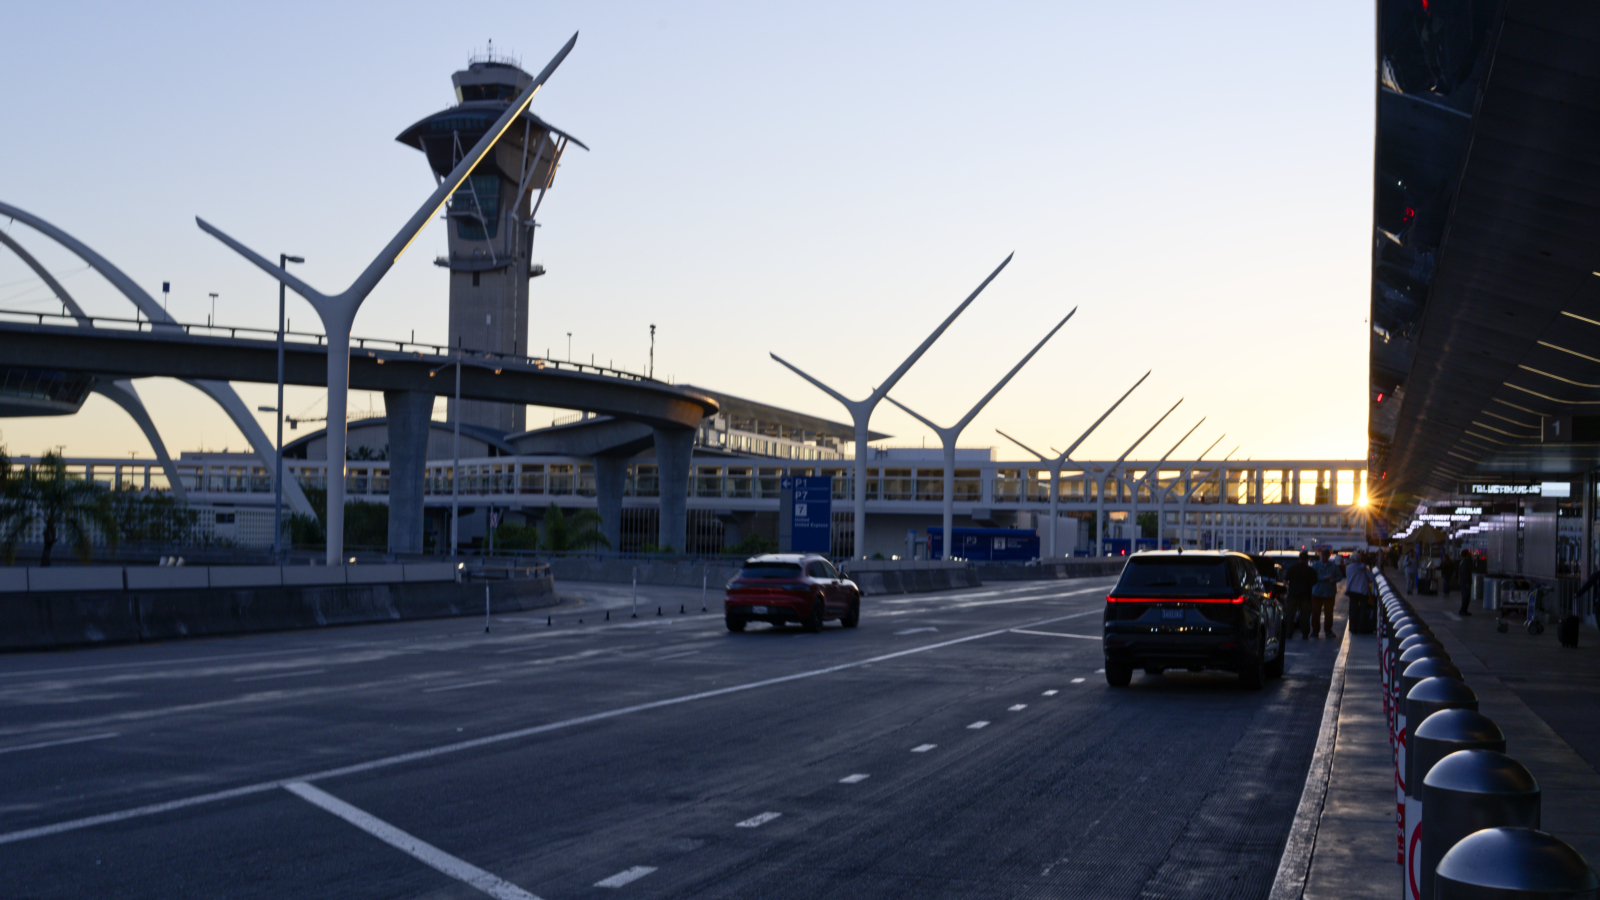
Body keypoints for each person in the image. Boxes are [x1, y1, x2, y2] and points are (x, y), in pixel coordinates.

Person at [1285, 550, 1318, 639]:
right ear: (1308, 559)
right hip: (1306, 596)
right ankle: (1305, 634)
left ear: (1299, 558)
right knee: (1305, 616)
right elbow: (1315, 582)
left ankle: (1289, 633)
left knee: (1290, 615)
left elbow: (1285, 581)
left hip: (1293, 595)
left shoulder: (1292, 568)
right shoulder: (1310, 570)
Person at [1312, 548, 1340, 638]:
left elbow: (1340, 575)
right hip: (1317, 592)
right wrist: (1324, 578)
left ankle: (1328, 630)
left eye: (1326, 555)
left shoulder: (1333, 566)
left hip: (1329, 593)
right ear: (1321, 555)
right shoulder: (1316, 565)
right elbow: (1313, 576)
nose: (1324, 557)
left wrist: (1334, 579)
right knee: (1316, 612)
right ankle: (1315, 631)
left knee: (1329, 613)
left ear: (1328, 556)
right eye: (1323, 555)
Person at [1345, 552, 1373, 634]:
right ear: (1360, 559)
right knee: (1363, 610)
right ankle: (1361, 628)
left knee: (1353, 610)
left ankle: (1352, 627)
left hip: (1352, 591)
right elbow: (1371, 578)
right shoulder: (1364, 568)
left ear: (1352, 560)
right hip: (1363, 591)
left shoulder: (1348, 568)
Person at [1457, 548, 1474, 616]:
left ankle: (1464, 610)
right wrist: (1467, 582)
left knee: (1466, 596)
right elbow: (1465, 574)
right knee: (1466, 596)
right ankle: (1463, 610)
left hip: (1465, 582)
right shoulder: (1465, 563)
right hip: (1465, 582)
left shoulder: (1465, 562)